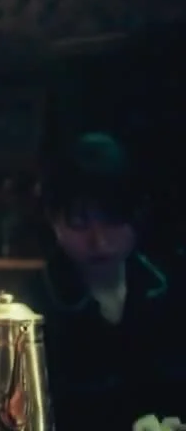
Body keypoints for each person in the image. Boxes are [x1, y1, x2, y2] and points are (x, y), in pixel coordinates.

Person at [33, 132, 186, 431]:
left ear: (136, 215)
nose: (99, 241)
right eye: (79, 222)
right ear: (53, 220)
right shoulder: (33, 307)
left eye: (113, 220)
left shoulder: (170, 291)